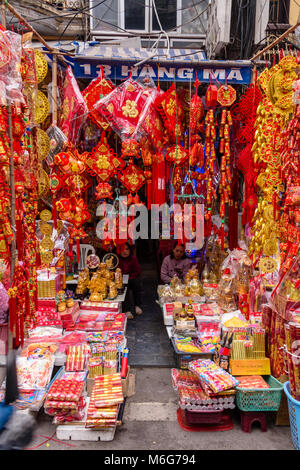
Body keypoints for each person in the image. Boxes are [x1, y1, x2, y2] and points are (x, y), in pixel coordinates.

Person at [118, 242, 142, 320]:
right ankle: (126, 310)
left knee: (136, 283)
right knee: (125, 287)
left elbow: (137, 271)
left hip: (132, 277)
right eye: (122, 249)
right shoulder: (117, 259)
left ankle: (137, 305)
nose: (124, 251)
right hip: (121, 279)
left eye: (127, 249)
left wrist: (130, 277)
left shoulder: (133, 258)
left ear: (130, 250)